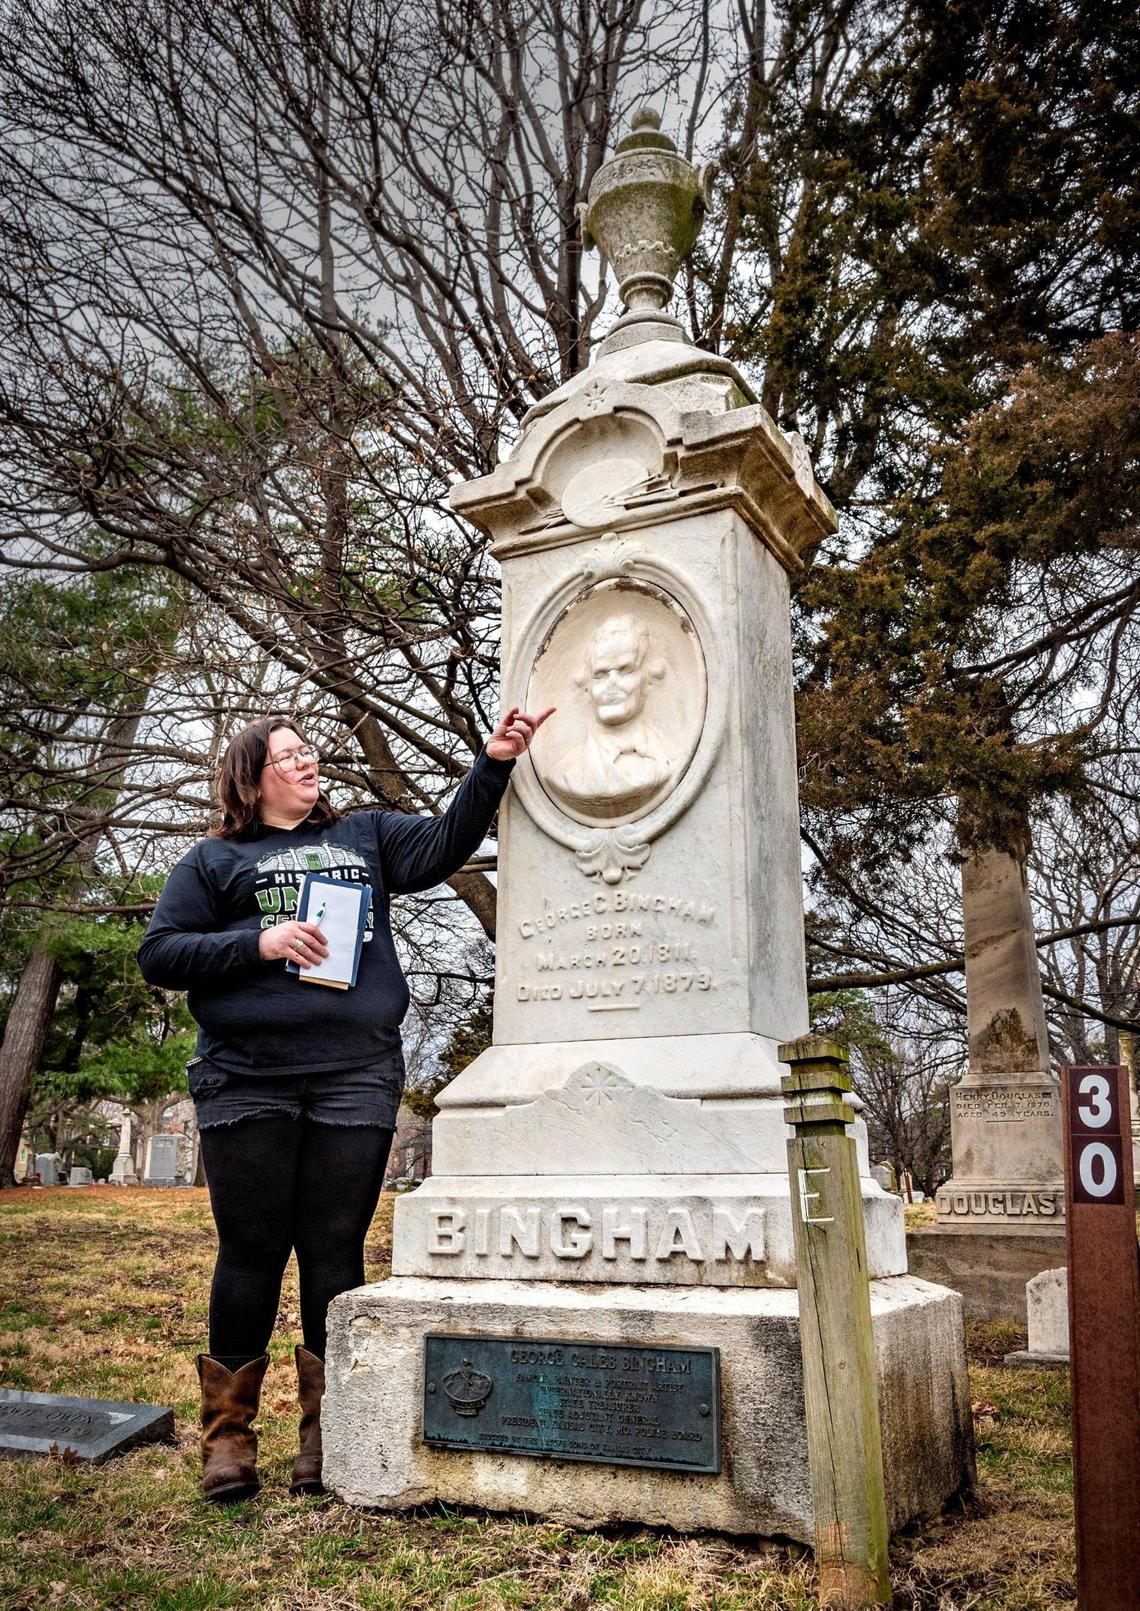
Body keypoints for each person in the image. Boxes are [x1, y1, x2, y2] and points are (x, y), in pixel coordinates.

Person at [138, 706, 551, 1502]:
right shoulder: (214, 860)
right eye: (290, 757)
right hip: (246, 1078)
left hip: (354, 1074)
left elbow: (442, 845)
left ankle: (326, 1434)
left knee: (335, 1246)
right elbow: (162, 951)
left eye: (310, 753)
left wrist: (493, 762)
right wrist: (256, 942)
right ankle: (229, 1440)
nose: (308, 763)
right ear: (252, 776)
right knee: (252, 1248)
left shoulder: (365, 836)